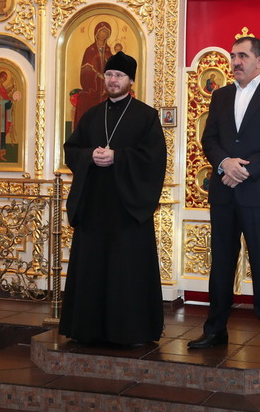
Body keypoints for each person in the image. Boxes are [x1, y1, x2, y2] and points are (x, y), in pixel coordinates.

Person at [188, 36, 260, 360]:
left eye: (243, 56)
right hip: (223, 193)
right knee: (221, 263)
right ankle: (215, 330)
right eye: (233, 56)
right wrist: (225, 163)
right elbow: (209, 139)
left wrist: (244, 169)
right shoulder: (220, 95)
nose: (236, 61)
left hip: (258, 194)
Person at [59, 51, 167, 346]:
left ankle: (130, 332)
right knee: (92, 270)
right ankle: (87, 330)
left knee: (126, 272)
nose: (113, 80)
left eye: (119, 75)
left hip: (127, 209)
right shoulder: (91, 115)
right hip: (94, 207)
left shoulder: (146, 116)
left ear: (131, 81)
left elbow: (154, 159)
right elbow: (72, 150)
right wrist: (89, 156)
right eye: (109, 75)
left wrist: (118, 157)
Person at [73, 22, 113, 129]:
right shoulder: (90, 50)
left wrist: (108, 76)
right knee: (84, 99)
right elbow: (86, 68)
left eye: (106, 32)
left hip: (106, 86)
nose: (103, 34)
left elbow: (113, 67)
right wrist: (97, 75)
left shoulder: (109, 51)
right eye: (101, 31)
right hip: (93, 86)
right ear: (96, 33)